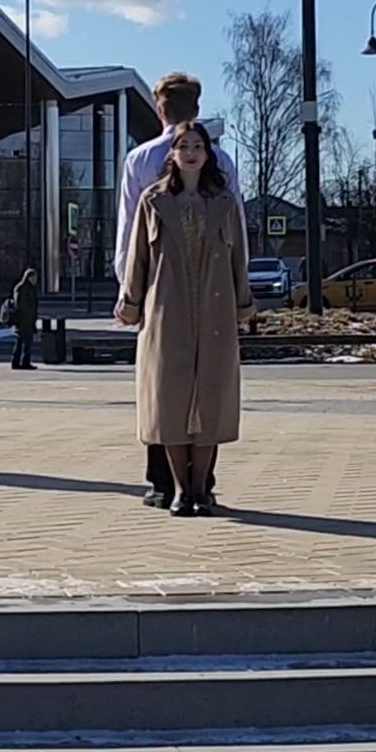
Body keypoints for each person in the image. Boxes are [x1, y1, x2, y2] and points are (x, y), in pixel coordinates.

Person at [114, 72, 241, 509]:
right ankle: (198, 484)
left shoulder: (138, 158)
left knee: (165, 386)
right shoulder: (222, 160)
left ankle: (165, 483)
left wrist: (128, 292)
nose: (190, 153)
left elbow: (126, 230)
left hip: (159, 290)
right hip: (194, 287)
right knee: (190, 385)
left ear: (159, 109)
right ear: (197, 108)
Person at [9, 269, 40, 370]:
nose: (35, 280)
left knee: (21, 342)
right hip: (23, 320)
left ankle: (17, 362)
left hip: (28, 319)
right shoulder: (22, 287)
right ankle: (23, 362)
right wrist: (29, 312)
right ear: (29, 277)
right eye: (34, 277)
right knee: (26, 342)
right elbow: (20, 304)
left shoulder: (30, 288)